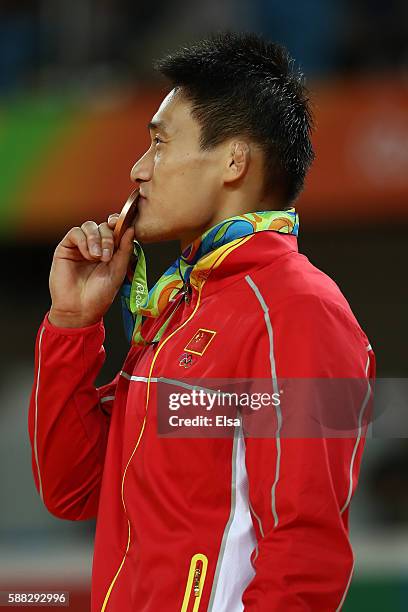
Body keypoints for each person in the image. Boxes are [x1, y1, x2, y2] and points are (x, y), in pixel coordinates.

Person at [28, 32, 375, 611]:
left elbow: (307, 553)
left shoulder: (303, 311)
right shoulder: (182, 310)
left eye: (160, 144)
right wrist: (72, 323)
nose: (138, 170)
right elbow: (74, 490)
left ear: (234, 160)